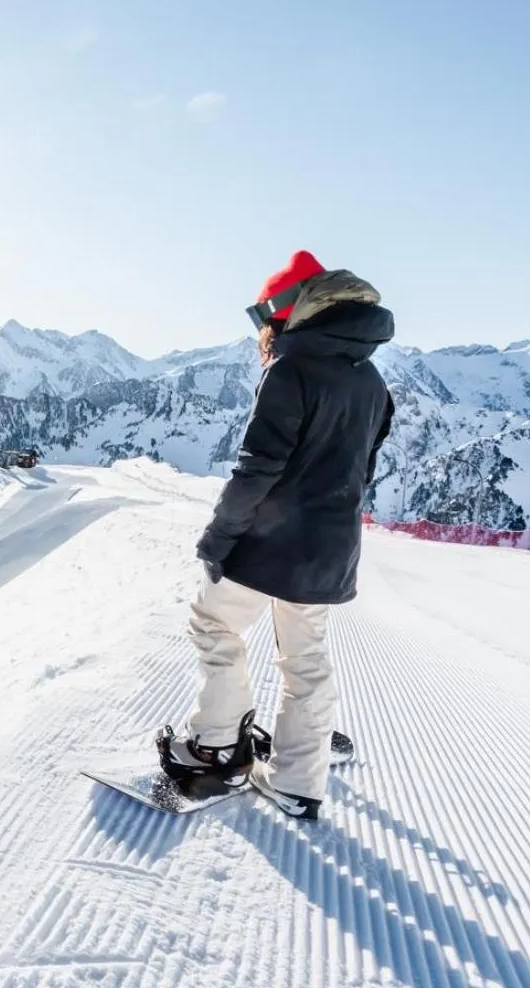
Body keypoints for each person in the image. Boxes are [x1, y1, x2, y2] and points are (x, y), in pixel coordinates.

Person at [157, 250, 395, 820]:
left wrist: (220, 537)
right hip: (332, 548)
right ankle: (297, 781)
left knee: (214, 624)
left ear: (289, 311)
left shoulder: (290, 370)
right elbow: (360, 472)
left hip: (270, 542)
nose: (263, 331)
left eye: (267, 318)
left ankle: (216, 745)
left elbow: (257, 468)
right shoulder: (372, 380)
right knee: (305, 659)